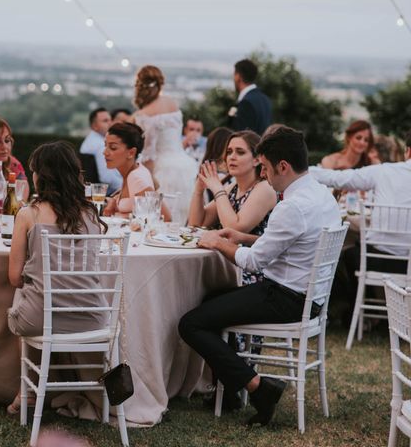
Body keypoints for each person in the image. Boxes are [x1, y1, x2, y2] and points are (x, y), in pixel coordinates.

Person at [178, 126, 341, 427]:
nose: (264, 175)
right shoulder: (320, 194)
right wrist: (241, 236)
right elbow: (293, 244)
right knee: (209, 300)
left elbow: (252, 263)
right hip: (308, 297)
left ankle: (257, 388)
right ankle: (232, 388)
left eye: (264, 168)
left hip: (284, 298)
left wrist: (219, 242)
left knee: (190, 323)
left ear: (282, 166)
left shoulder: (292, 206)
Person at [6, 141, 108, 414]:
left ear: (42, 176)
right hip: (92, 318)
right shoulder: (90, 215)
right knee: (39, 295)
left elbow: (14, 277)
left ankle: (26, 392)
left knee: (25, 293)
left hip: (39, 320)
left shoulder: (28, 215)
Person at [310, 131, 411, 318]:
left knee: (346, 254)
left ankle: (351, 314)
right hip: (407, 265)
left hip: (377, 262)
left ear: (408, 152)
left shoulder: (385, 171)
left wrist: (303, 170)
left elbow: (339, 178)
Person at [188, 130, 276, 284]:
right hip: (230, 265)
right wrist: (198, 190)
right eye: (229, 152)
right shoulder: (234, 188)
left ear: (256, 160)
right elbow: (196, 224)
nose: (232, 157)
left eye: (240, 152)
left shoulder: (264, 188)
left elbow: (235, 229)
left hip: (253, 274)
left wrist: (217, 189)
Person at [131, 65, 198, 224]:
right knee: (186, 216)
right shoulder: (172, 103)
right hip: (185, 164)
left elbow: (149, 155)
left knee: (160, 219)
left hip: (163, 170)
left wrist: (146, 181)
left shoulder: (143, 115)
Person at [102, 122, 172, 220]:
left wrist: (119, 216)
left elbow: (166, 218)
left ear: (131, 153)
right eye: (105, 146)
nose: (105, 152)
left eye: (113, 147)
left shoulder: (136, 178)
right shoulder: (133, 171)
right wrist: (113, 201)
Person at [79, 107, 122, 194]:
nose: (110, 123)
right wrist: (126, 186)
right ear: (94, 126)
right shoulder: (100, 145)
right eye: (105, 121)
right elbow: (107, 178)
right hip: (105, 195)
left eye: (111, 120)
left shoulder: (90, 141)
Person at [228, 59, 272, 135]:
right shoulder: (265, 99)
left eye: (234, 74)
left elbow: (244, 137)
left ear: (238, 76)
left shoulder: (246, 103)